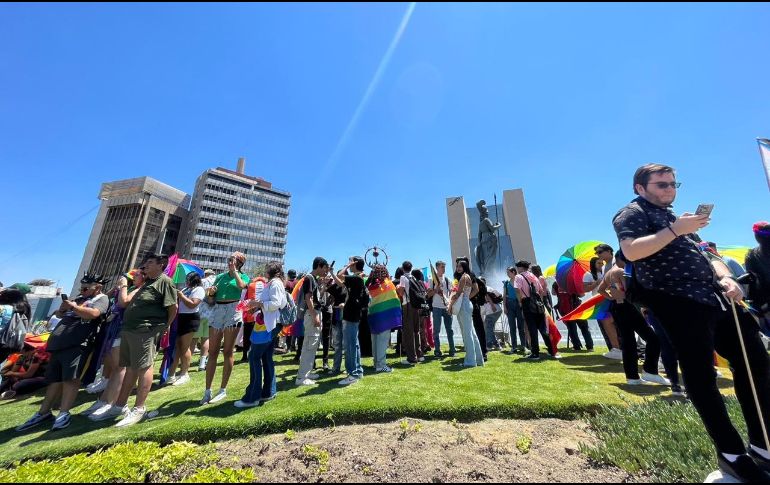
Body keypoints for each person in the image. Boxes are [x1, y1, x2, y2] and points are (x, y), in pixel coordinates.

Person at [613, 163, 770, 481]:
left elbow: (709, 254)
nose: (670, 189)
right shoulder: (632, 213)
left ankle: (762, 442)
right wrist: (674, 231)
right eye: (661, 184)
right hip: (677, 301)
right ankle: (731, 452)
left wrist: (727, 278)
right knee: (701, 376)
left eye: (673, 184)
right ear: (640, 188)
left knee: (755, 362)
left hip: (717, 298)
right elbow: (630, 251)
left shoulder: (678, 219)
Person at [16, 273, 110, 431]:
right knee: (55, 380)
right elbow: (59, 315)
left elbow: (94, 314)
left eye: (86, 288)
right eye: (81, 288)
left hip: (78, 344)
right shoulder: (78, 299)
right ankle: (43, 412)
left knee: (71, 379)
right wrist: (62, 309)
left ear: (98, 287)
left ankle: (64, 413)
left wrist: (73, 307)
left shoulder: (102, 298)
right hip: (59, 344)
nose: (82, 291)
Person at [597, 251, 669, 386]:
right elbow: (631, 292)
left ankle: (632, 377)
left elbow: (601, 290)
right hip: (628, 307)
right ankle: (650, 371)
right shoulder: (621, 272)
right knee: (653, 339)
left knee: (628, 342)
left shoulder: (609, 273)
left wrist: (612, 297)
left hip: (617, 308)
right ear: (621, 259)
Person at [82, 270, 144, 421]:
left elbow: (123, 302)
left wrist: (123, 286)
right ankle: (104, 400)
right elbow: (109, 297)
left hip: (124, 328)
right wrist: (118, 287)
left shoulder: (140, 289)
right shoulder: (131, 288)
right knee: (113, 367)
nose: (133, 277)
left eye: (137, 275)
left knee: (120, 367)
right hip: (114, 329)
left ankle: (111, 402)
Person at [235, 262, 287, 408]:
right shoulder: (274, 283)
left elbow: (276, 303)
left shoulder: (275, 283)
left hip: (269, 325)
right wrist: (257, 307)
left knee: (254, 356)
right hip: (269, 323)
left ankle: (253, 397)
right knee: (265, 357)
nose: (264, 271)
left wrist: (258, 304)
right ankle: (268, 391)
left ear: (271, 271)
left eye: (266, 269)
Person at [201, 252, 250, 405]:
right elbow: (210, 300)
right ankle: (207, 390)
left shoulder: (244, 276)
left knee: (228, 351)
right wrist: (211, 294)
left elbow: (241, 286)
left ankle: (222, 389)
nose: (229, 262)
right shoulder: (220, 277)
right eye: (229, 260)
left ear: (240, 263)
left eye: (233, 260)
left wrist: (235, 271)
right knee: (213, 351)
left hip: (233, 310)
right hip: (218, 309)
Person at [331, 257, 367, 386]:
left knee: (350, 346)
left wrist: (346, 266)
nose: (349, 264)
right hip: (352, 315)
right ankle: (358, 371)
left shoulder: (356, 278)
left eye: (351, 262)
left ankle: (353, 374)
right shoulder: (356, 278)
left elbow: (341, 275)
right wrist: (332, 273)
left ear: (355, 263)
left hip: (351, 315)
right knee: (354, 345)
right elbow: (340, 283)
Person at [166, 273, 205, 387]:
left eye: (188, 279)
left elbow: (192, 304)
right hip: (180, 318)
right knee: (177, 346)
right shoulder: (186, 289)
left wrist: (181, 296)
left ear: (194, 280)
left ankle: (184, 374)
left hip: (190, 319)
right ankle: (171, 374)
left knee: (184, 347)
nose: (186, 281)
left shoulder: (199, 290)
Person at [295, 257, 330, 386]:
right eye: (325, 268)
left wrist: (323, 285)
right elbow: (308, 298)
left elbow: (315, 296)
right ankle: (302, 377)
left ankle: (307, 372)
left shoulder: (313, 279)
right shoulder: (309, 278)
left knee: (312, 345)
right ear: (319, 266)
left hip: (314, 313)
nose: (326, 271)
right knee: (309, 345)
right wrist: (314, 315)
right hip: (312, 314)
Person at [514, 261, 559, 360]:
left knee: (532, 329)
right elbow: (541, 291)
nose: (517, 269)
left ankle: (535, 353)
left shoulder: (518, 277)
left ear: (521, 268)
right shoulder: (534, 276)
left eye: (518, 267)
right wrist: (540, 303)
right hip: (538, 303)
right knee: (543, 328)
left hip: (527, 302)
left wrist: (520, 302)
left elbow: (517, 289)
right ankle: (552, 350)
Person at [448, 259, 484, 367]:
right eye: (457, 266)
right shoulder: (467, 276)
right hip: (467, 304)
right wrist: (466, 297)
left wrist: (450, 305)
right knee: (471, 333)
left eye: (460, 266)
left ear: (464, 267)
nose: (458, 268)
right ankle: (478, 360)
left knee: (467, 334)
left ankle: (470, 361)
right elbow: (474, 290)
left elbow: (457, 294)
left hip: (463, 306)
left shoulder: (464, 277)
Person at [397, 261, 425, 364]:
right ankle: (419, 355)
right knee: (416, 331)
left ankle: (412, 358)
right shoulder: (413, 277)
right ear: (411, 268)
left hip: (408, 305)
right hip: (416, 306)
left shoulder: (403, 277)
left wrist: (398, 288)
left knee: (408, 332)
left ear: (402, 268)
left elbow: (401, 293)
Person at [553, 281, 593, 351]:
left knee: (572, 329)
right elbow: (582, 295)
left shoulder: (556, 284)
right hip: (577, 309)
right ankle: (590, 346)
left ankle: (577, 346)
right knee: (584, 327)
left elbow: (553, 293)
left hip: (566, 311)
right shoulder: (572, 282)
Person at [428, 261, 456, 358]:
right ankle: (437, 351)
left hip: (446, 307)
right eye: (442, 267)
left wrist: (450, 305)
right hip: (436, 307)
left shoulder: (448, 279)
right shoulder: (431, 280)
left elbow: (452, 294)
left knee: (450, 330)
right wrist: (436, 290)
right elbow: (428, 295)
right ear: (437, 268)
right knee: (436, 330)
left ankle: (452, 350)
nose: (444, 269)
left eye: (444, 267)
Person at [190, 269, 216, 372]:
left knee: (194, 339)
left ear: (206, 274)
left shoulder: (202, 282)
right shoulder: (216, 282)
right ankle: (202, 364)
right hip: (210, 314)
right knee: (205, 339)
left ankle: (186, 362)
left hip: (199, 312)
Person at [241, 274, 267, 363]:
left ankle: (244, 355)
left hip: (249, 315)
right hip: (260, 316)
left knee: (246, 336)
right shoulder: (265, 286)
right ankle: (257, 354)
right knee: (258, 335)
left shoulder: (250, 285)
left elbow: (244, 300)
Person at [504, 267, 528, 354]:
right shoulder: (506, 283)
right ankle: (514, 347)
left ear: (514, 272)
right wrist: (504, 307)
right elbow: (504, 295)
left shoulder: (519, 280)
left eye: (508, 272)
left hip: (519, 304)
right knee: (512, 327)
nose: (507, 274)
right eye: (507, 272)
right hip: (510, 305)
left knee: (521, 326)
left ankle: (524, 346)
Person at [481, 279, 503, 351]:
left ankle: (489, 345)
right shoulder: (490, 288)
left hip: (491, 311)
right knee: (489, 328)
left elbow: (487, 297)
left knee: (488, 328)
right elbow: (500, 296)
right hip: (498, 310)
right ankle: (496, 345)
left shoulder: (483, 289)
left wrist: (492, 305)